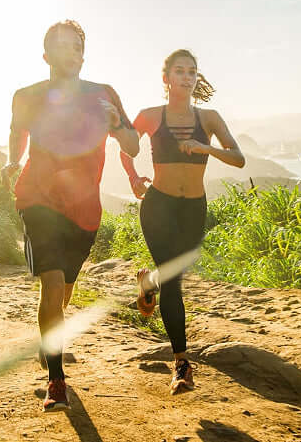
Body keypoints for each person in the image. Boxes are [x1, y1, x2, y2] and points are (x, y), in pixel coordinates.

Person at [2, 20, 139, 412]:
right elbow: (17, 132)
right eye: (61, 46)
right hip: (37, 197)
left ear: (84, 53)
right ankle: (56, 380)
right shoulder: (26, 96)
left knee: (64, 291)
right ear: (46, 55)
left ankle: (48, 343)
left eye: (77, 45)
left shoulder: (103, 95)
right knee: (51, 282)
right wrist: (13, 161)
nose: (71, 52)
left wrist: (116, 124)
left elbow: (131, 144)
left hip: (84, 208)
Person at [120, 48, 245, 395]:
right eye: (180, 71)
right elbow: (125, 146)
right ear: (167, 79)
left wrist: (205, 149)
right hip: (158, 206)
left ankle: (148, 283)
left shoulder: (210, 119)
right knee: (174, 281)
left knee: (174, 274)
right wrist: (132, 177)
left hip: (193, 208)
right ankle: (182, 364)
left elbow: (238, 158)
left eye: (192, 71)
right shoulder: (149, 115)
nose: (187, 77)